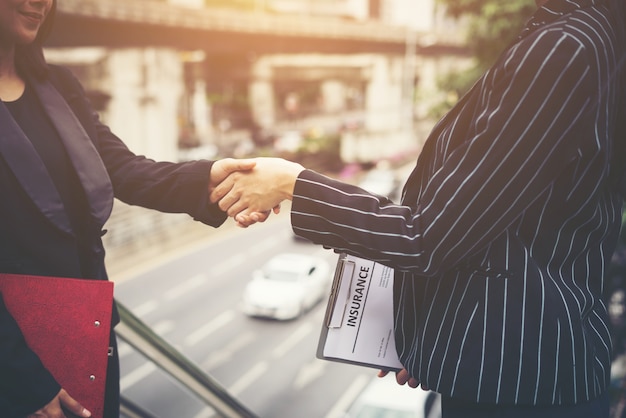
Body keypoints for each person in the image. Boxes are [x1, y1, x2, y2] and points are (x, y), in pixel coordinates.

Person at [211, 0, 626, 416]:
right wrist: (439, 337)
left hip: (518, 390)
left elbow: (427, 236)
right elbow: (525, 232)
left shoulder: (565, 47)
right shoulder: (591, 36)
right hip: (519, 374)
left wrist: (290, 184)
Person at [0, 1, 264, 417]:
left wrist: (209, 179)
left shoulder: (59, 85)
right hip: (15, 355)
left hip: (87, 329)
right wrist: (21, 378)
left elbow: (120, 168)